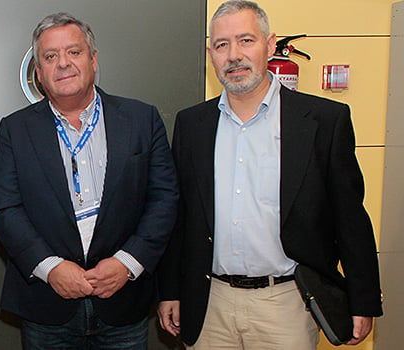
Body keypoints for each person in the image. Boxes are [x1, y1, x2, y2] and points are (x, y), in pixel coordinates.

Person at [156, 1, 383, 349]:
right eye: (221, 45)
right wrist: (170, 290)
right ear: (210, 54)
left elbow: (350, 216)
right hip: (209, 303)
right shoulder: (192, 125)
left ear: (269, 43)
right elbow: (180, 216)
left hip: (287, 304)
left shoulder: (323, 121)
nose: (233, 55)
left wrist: (363, 298)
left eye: (246, 40)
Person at [0, 13, 178, 349]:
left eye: (74, 52)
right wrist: (51, 268)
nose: (62, 63)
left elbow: (164, 199)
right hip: (47, 305)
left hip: (124, 301)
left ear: (93, 60)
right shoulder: (14, 129)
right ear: (38, 71)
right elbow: (7, 210)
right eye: (50, 56)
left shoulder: (141, 118)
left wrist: (127, 262)